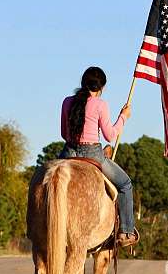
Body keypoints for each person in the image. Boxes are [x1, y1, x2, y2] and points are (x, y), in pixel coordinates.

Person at [58, 66, 138, 247]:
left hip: (68, 153)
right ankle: (126, 232)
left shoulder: (66, 102)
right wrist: (123, 117)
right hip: (93, 155)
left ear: (82, 83)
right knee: (125, 184)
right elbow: (110, 136)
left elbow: (63, 133)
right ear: (101, 87)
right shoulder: (101, 104)